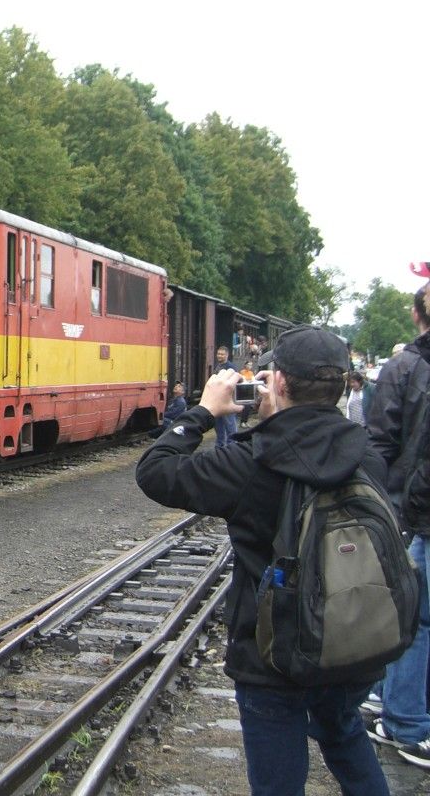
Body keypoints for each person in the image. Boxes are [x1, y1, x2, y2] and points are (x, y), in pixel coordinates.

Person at [137, 326, 391, 795]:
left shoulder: (251, 461)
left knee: (278, 778)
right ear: (340, 385)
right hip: (352, 641)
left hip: (270, 653)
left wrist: (202, 412)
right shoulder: (368, 457)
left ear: (276, 383)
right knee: (344, 732)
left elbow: (156, 471)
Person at [365, 280, 430, 768]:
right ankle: (404, 720)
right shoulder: (408, 367)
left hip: (406, 505)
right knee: (417, 618)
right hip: (415, 509)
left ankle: (386, 703)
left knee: (402, 610)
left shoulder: (402, 367)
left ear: (414, 315)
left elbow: (380, 442)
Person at [213, 345, 237, 447]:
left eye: (222, 354)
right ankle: (219, 447)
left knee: (230, 426)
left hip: (227, 401)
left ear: (227, 355)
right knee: (219, 427)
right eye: (218, 354)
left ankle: (232, 447)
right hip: (218, 401)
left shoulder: (231, 367)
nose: (220, 356)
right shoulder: (218, 366)